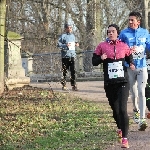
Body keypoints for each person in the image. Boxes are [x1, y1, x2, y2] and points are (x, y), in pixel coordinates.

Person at [92, 24, 135, 149]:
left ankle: (125, 139)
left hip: (123, 82)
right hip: (109, 83)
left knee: (122, 109)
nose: (110, 33)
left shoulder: (123, 45)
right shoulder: (102, 46)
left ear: (118, 33)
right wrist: (101, 58)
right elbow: (94, 61)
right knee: (115, 110)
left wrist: (131, 63)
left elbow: (129, 56)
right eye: (108, 32)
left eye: (113, 31)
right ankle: (120, 128)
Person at [119, 11, 150, 131]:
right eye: (129, 20)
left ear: (138, 21)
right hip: (129, 67)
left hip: (142, 67)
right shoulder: (124, 33)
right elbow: (119, 46)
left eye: (132, 20)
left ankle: (142, 120)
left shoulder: (145, 32)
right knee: (134, 93)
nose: (130, 22)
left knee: (142, 92)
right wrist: (127, 49)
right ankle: (136, 109)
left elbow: (149, 46)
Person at [57, 23, 78, 91]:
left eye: (70, 28)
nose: (69, 29)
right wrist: (65, 45)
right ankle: (64, 85)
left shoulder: (73, 36)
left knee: (73, 71)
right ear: (65, 29)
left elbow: (76, 42)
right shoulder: (63, 36)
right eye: (68, 28)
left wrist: (76, 44)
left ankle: (73, 85)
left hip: (72, 56)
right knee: (64, 71)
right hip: (65, 56)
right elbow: (58, 44)